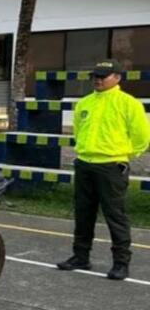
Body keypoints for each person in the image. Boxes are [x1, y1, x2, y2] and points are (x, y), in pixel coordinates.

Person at [57, 59, 149, 280]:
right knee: (83, 213)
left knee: (115, 215)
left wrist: (123, 155)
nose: (97, 80)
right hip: (85, 164)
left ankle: (120, 262)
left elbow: (141, 137)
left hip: (111, 166)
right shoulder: (85, 103)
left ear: (117, 77)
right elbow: (78, 131)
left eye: (102, 76)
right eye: (95, 76)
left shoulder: (128, 103)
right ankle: (80, 256)